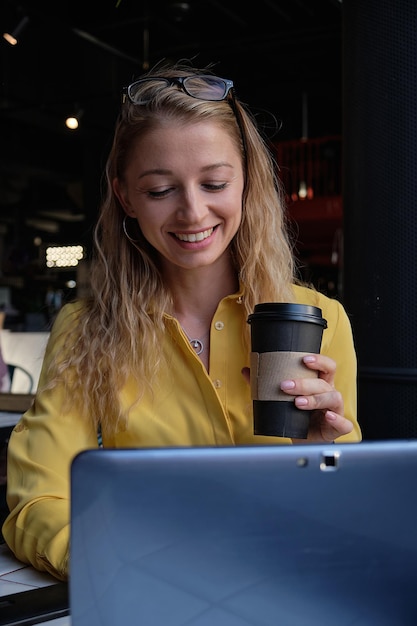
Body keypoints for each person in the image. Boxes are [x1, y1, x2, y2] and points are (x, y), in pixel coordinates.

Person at [2, 61, 361, 581]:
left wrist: (324, 457)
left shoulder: (323, 321)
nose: (192, 213)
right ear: (124, 195)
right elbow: (39, 503)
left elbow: (346, 516)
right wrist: (120, 563)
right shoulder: (86, 330)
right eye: (159, 190)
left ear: (246, 182)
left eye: (214, 182)